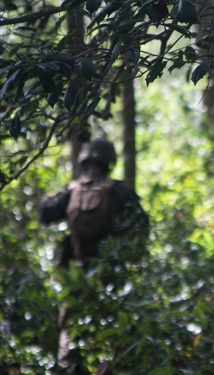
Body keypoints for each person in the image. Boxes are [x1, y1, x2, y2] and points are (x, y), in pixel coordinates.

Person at [39, 138, 149, 372]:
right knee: (113, 335)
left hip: (77, 274)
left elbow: (44, 214)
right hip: (111, 274)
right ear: (110, 162)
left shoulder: (72, 190)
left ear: (83, 161)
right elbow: (142, 226)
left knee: (70, 334)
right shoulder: (120, 190)